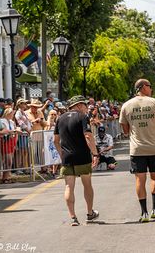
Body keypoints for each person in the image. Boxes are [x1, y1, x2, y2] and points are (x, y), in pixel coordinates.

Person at [119, 79, 155, 223]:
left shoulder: (126, 105)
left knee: (140, 179)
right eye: (150, 86)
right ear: (143, 87)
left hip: (137, 149)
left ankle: (144, 213)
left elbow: (125, 129)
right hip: (154, 147)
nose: (151, 89)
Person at [54, 95, 100, 226]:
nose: (87, 109)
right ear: (79, 105)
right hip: (82, 156)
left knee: (69, 186)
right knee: (87, 184)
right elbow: (88, 135)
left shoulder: (60, 118)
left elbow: (55, 140)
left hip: (67, 157)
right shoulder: (82, 117)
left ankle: (73, 217)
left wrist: (61, 154)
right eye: (85, 105)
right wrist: (95, 153)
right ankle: (89, 213)